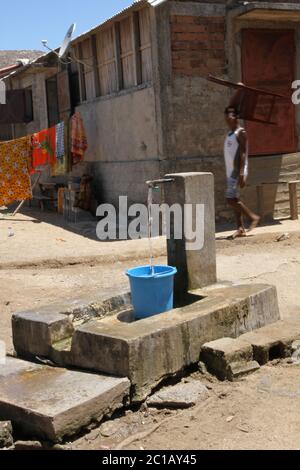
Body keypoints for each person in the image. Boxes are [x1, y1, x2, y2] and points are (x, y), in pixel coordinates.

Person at [224, 106, 260, 239]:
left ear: (236, 117)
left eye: (231, 115)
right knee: (234, 199)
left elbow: (243, 153)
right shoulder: (230, 133)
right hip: (230, 171)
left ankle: (253, 217)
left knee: (230, 199)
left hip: (236, 171)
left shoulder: (241, 132)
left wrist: (241, 172)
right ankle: (240, 228)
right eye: (227, 115)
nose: (228, 118)